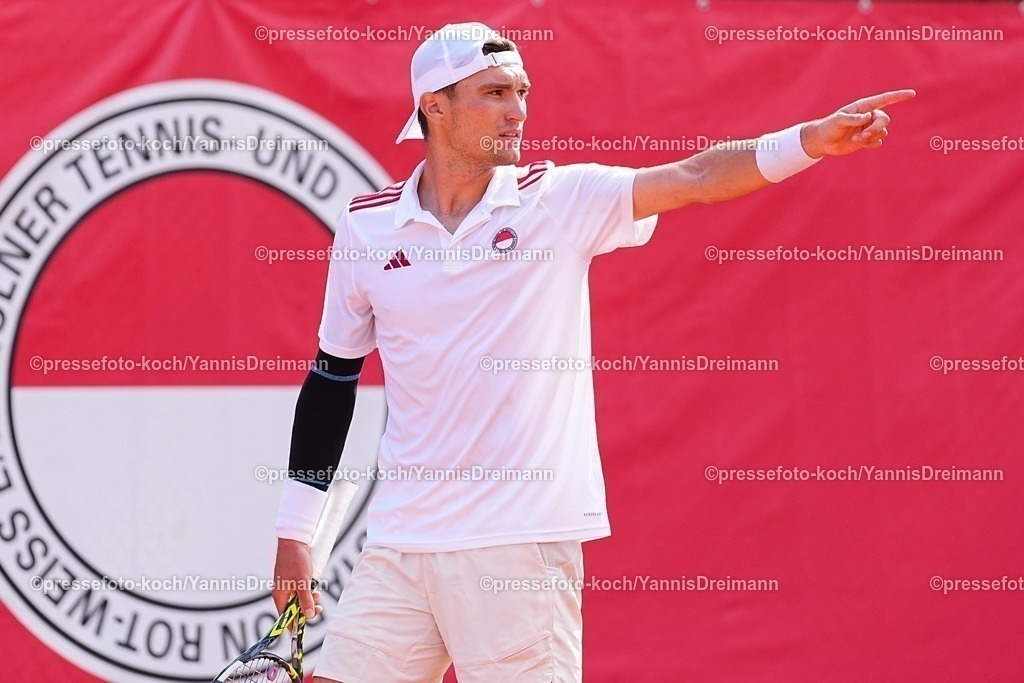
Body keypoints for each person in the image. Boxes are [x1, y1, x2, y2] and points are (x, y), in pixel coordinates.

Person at [271, 21, 915, 683]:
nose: (517, 108)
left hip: (518, 544)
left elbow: (695, 175)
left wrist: (808, 141)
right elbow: (331, 377)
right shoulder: (367, 225)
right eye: (494, 92)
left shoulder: (558, 199)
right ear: (434, 105)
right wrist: (296, 533)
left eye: (521, 91)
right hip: (401, 543)